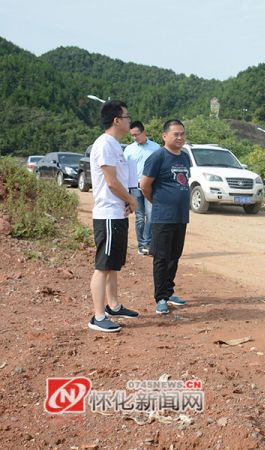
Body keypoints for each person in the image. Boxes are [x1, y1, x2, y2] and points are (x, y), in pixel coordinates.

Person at [88, 100, 140, 332]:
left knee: (113, 265)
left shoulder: (116, 145)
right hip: (107, 214)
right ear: (117, 120)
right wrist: (131, 200)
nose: (129, 120)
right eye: (127, 117)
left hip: (117, 213)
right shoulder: (105, 144)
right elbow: (110, 182)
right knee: (103, 266)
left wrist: (126, 201)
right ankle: (98, 317)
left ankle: (113, 305)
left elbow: (120, 180)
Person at [140, 119, 190, 315]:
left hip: (181, 216)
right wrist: (158, 202)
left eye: (182, 134)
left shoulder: (185, 157)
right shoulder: (157, 157)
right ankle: (160, 298)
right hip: (162, 217)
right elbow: (144, 185)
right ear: (165, 136)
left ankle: (169, 293)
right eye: (176, 134)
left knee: (174, 256)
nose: (180, 137)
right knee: (161, 257)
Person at [124, 121, 160, 255]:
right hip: (134, 186)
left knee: (151, 216)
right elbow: (125, 170)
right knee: (139, 217)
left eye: (136, 135)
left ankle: (147, 243)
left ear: (144, 132)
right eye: (132, 136)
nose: (134, 138)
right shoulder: (129, 150)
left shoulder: (156, 148)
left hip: (151, 187)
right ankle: (141, 245)